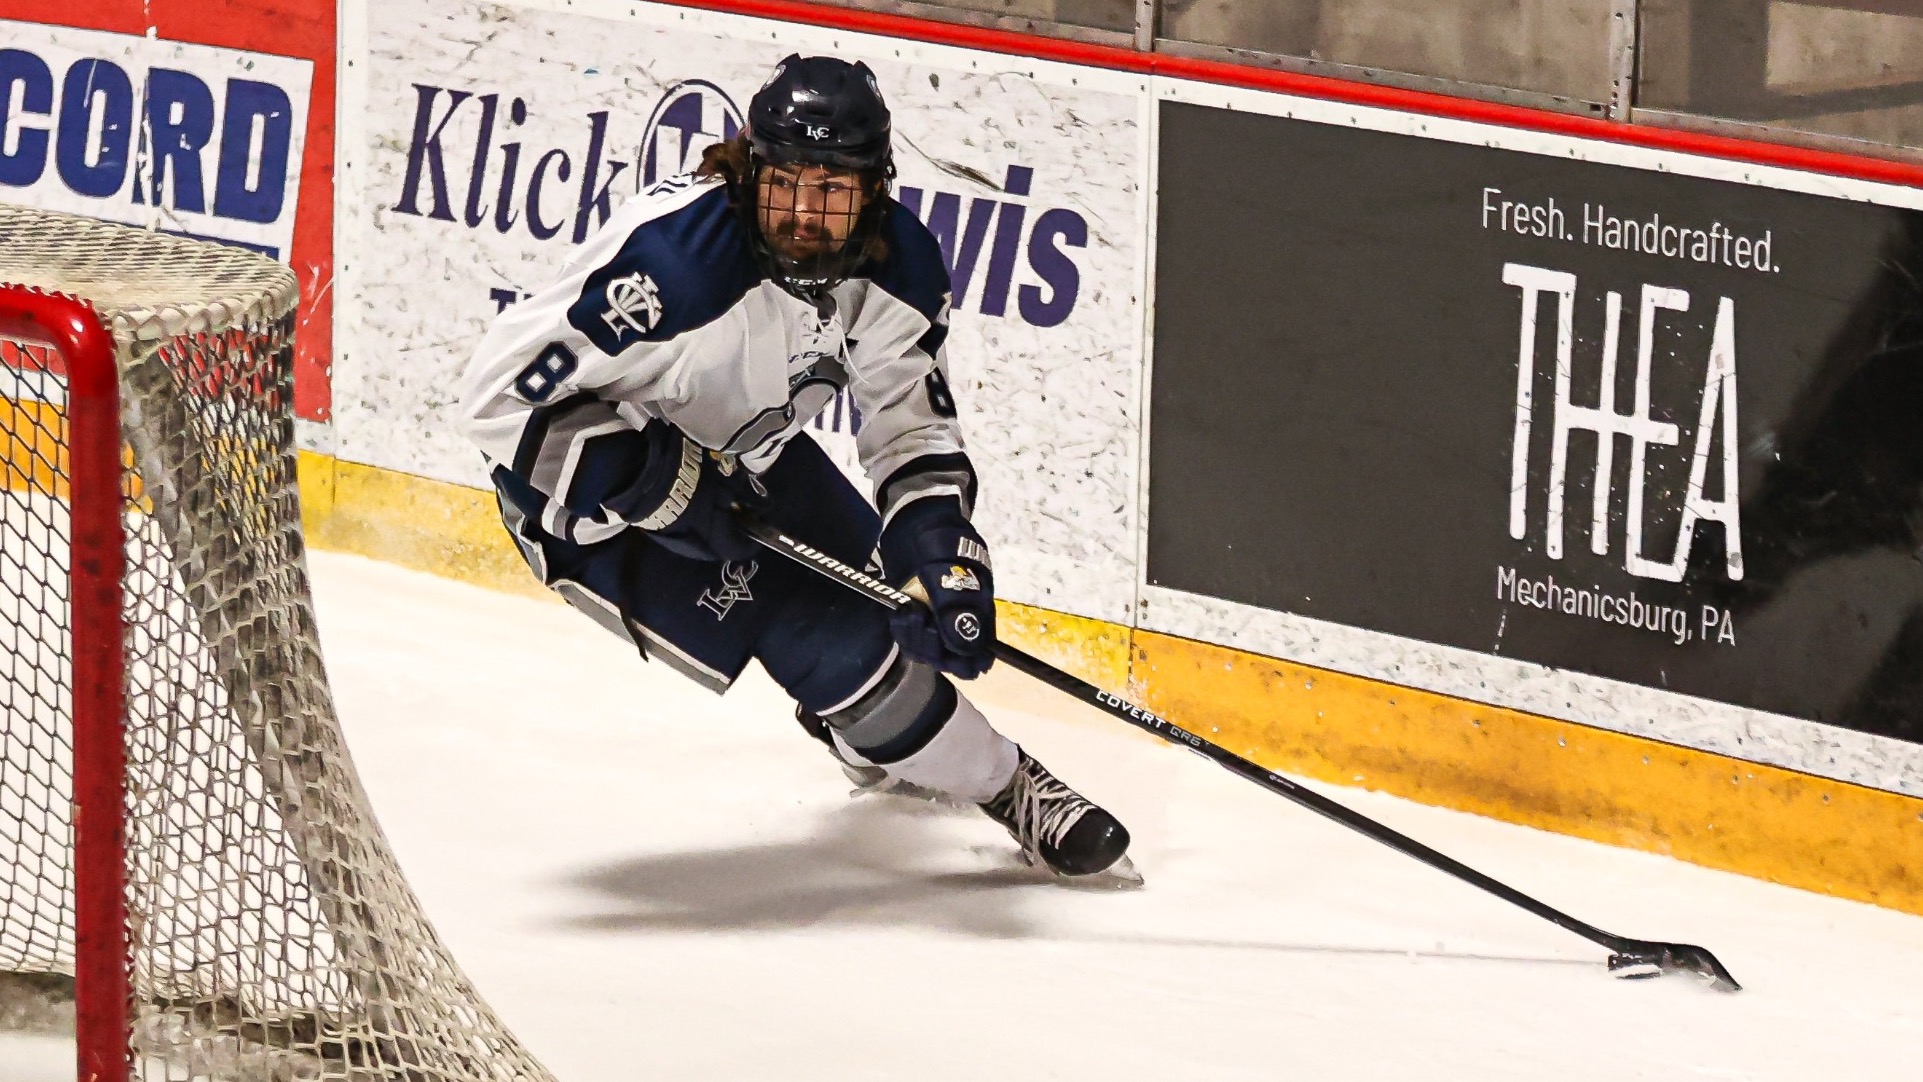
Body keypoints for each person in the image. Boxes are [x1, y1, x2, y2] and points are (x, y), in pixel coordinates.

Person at [456, 55, 1131, 878]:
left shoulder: (899, 267)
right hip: (591, 509)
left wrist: (941, 550)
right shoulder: (672, 266)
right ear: (750, 172)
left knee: (893, 599)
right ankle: (1010, 784)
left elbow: (911, 428)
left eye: (832, 189)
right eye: (784, 183)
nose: (804, 214)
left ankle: (864, 733)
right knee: (837, 649)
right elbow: (497, 400)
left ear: (873, 189)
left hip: (743, 452)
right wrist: (654, 484)